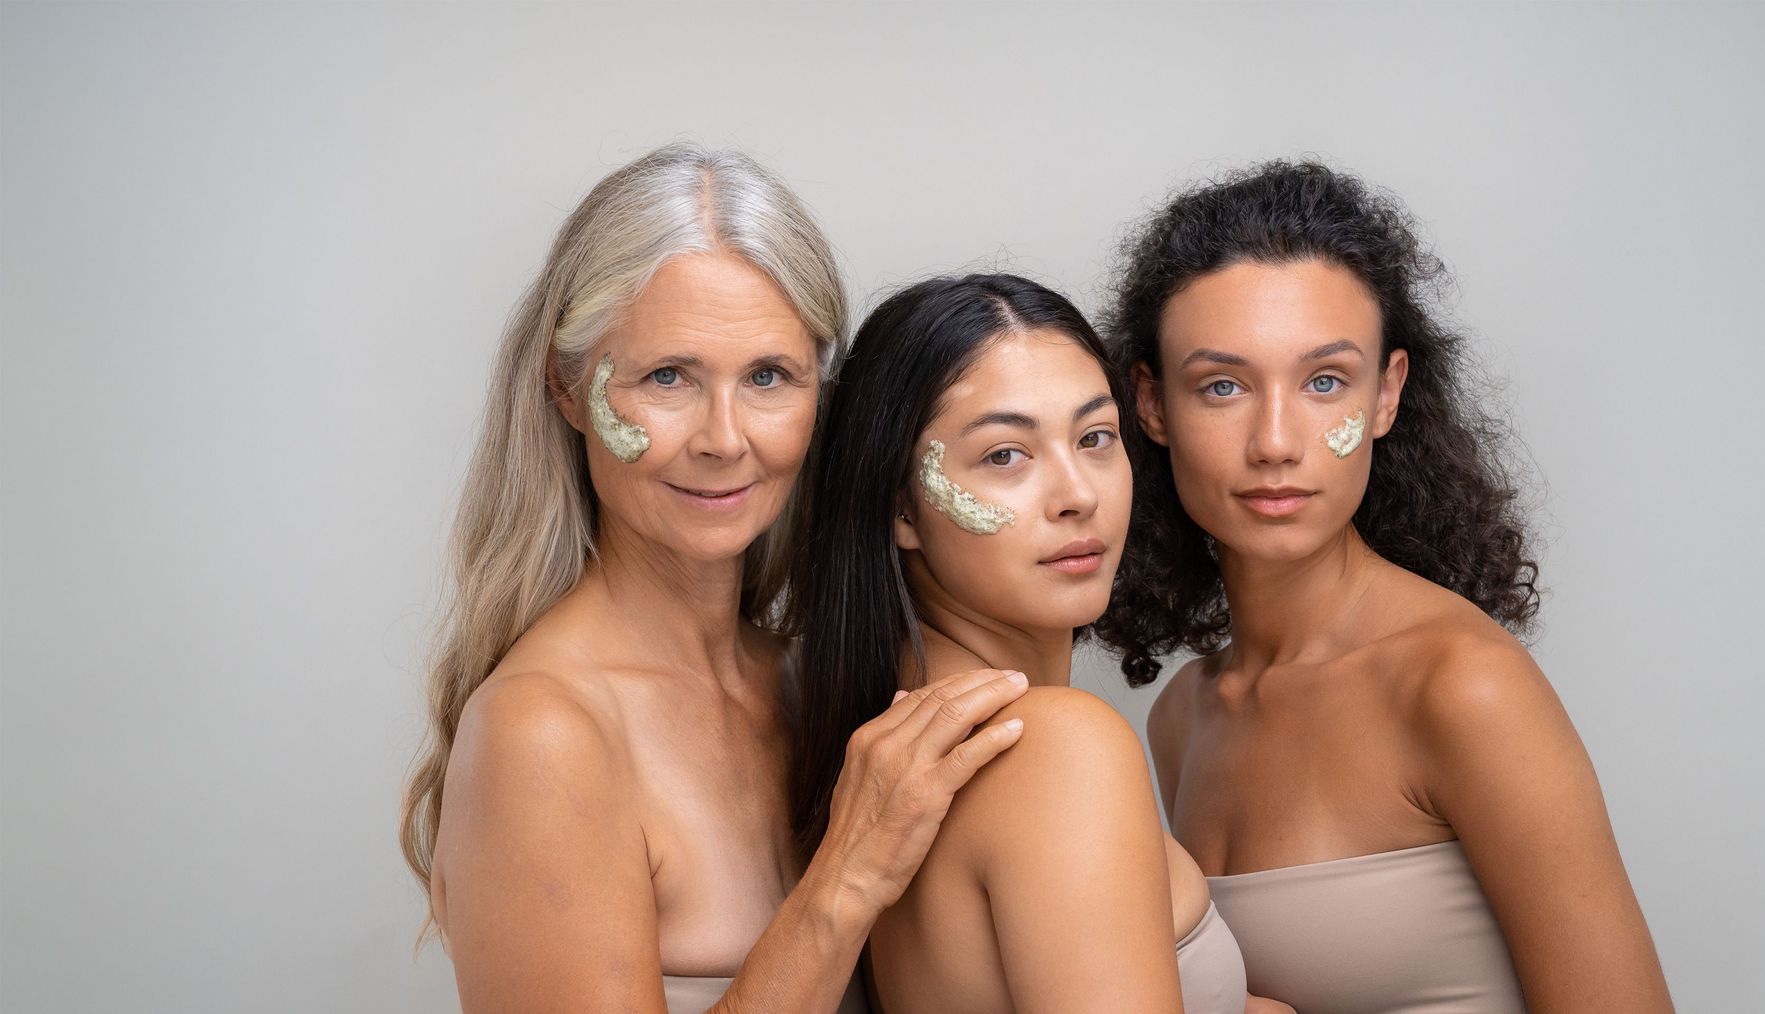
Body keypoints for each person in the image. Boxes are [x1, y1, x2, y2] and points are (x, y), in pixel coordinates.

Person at [400, 144, 1031, 1014]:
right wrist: (846, 876)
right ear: (567, 387)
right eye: (669, 378)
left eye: (769, 377)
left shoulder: (811, 679)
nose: (725, 439)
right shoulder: (543, 733)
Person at [1097, 159, 1675, 1013]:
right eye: (1222, 386)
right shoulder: (1184, 715)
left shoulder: (1460, 686)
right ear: (1152, 406)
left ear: (1386, 395)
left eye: (1325, 382)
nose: (1275, 441)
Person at [789, 273, 1289, 1014]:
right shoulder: (1052, 747)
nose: (1077, 494)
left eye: (1095, 438)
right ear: (901, 505)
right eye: (1004, 456)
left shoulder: (898, 720)